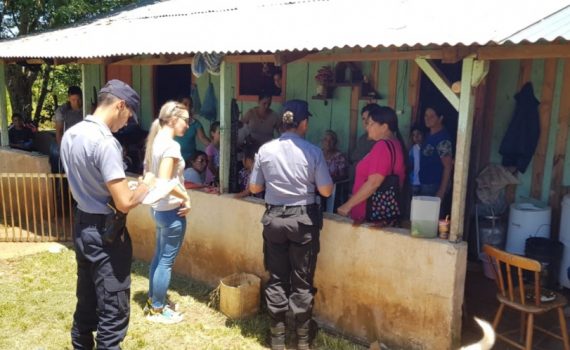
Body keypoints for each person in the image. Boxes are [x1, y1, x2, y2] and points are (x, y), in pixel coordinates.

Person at [60, 79, 154, 349]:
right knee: (113, 315)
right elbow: (124, 202)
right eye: (128, 117)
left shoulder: (71, 134)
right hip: (106, 235)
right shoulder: (105, 142)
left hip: (82, 225)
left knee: (86, 305)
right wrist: (145, 186)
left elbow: (88, 181)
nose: (126, 124)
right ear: (120, 105)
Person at [249, 99, 333, 350]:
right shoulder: (313, 152)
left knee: (277, 277)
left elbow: (255, 187)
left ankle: (277, 339)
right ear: (303, 123)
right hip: (302, 222)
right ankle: (303, 340)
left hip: (274, 219)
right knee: (302, 280)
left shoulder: (265, 150)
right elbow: (326, 191)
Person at [143, 101, 192, 324]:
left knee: (159, 256)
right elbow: (165, 181)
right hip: (171, 211)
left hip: (158, 210)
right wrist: (186, 197)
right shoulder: (171, 146)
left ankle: (154, 300)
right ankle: (158, 310)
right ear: (173, 119)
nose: (188, 126)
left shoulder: (156, 141)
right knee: (165, 262)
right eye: (186, 121)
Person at [337, 106, 406, 226]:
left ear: (384, 127)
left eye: (371, 124)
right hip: (384, 213)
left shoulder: (382, 146)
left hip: (367, 214)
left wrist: (348, 205)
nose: (367, 127)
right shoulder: (396, 145)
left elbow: (374, 182)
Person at [419, 107, 453, 199]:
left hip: (434, 185)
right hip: (425, 183)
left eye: (432, 116)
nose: (427, 118)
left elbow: (448, 166)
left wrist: (441, 192)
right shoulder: (429, 135)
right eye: (426, 115)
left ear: (440, 118)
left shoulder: (443, 139)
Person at [52, 86, 84, 173]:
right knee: (55, 154)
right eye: (73, 100)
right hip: (66, 140)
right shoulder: (62, 110)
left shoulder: (86, 108)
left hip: (82, 140)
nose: (76, 103)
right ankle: (58, 182)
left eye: (79, 100)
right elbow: (59, 131)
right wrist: (62, 148)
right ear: (68, 98)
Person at [174, 95, 210, 161]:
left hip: (191, 160)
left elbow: (203, 138)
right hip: (175, 160)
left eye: (190, 105)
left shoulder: (195, 123)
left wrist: (215, 147)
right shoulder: (172, 122)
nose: (188, 107)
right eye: (185, 104)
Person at [348, 104, 378, 183]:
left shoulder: (380, 142)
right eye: (363, 119)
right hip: (354, 182)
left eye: (368, 118)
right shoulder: (362, 139)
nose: (365, 122)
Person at [409, 126, 424, 195]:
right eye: (414, 135)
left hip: (425, 183)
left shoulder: (427, 148)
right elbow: (410, 165)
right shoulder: (412, 150)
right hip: (414, 182)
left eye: (418, 134)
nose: (416, 137)